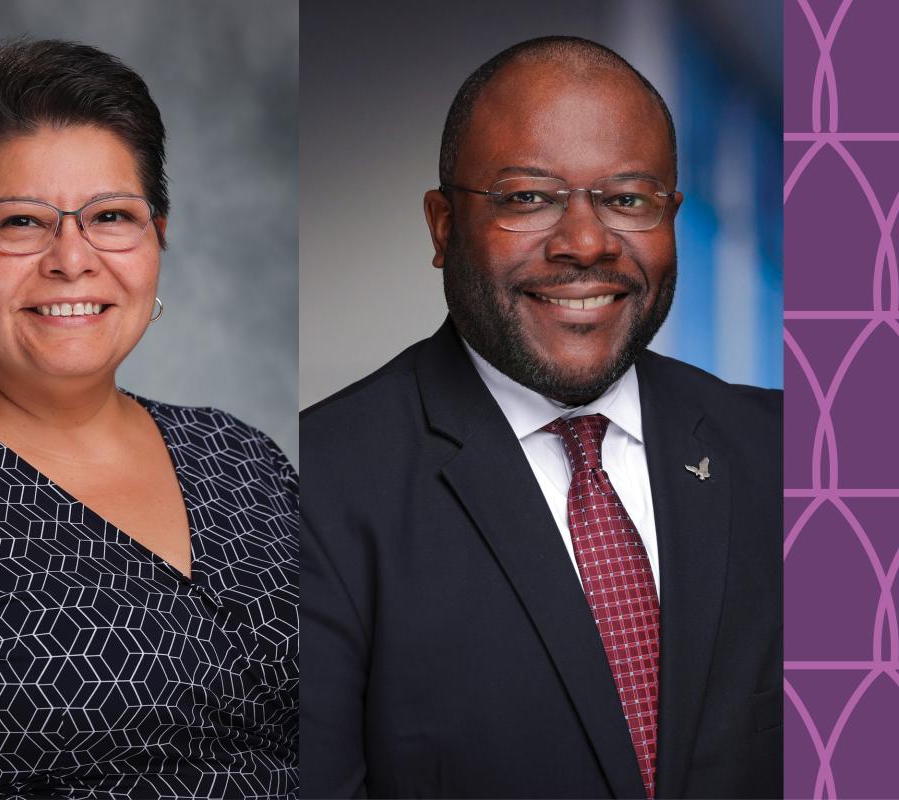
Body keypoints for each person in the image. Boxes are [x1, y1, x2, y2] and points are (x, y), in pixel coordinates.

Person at [299, 36, 780, 799]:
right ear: (443, 226)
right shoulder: (311, 488)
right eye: (529, 198)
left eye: (629, 199)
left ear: (672, 217)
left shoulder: (793, 459)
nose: (586, 243)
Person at [0, 39, 296, 799]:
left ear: (156, 238)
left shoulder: (244, 459)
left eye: (110, 215)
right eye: (21, 223)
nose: (72, 260)